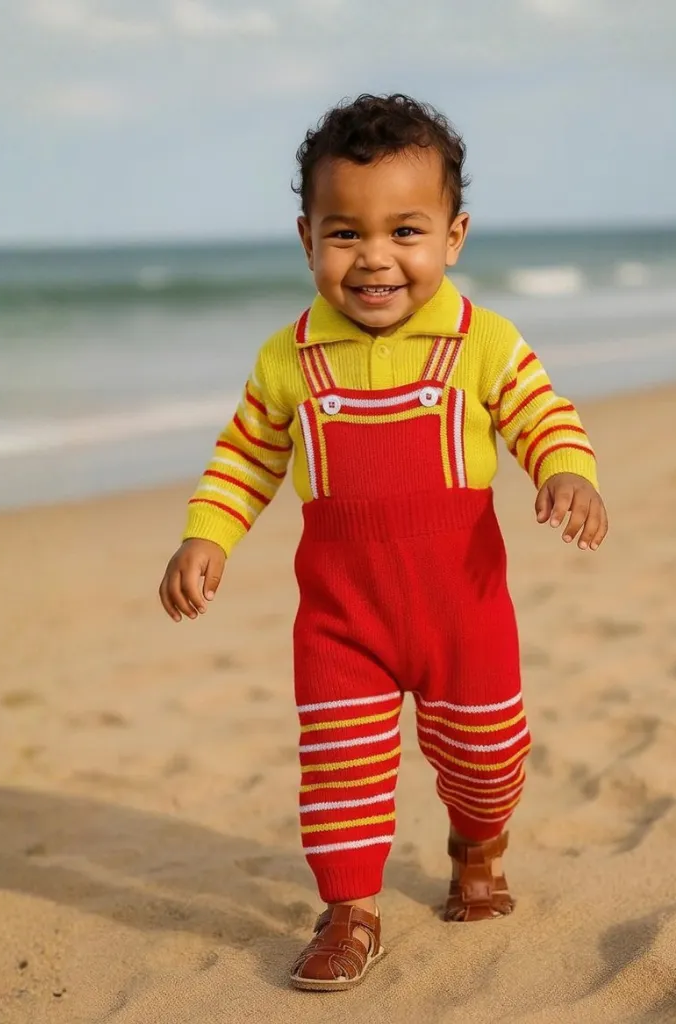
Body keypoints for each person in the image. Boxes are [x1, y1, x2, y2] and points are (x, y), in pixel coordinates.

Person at [158, 93, 608, 992]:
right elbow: (246, 456)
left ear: (454, 236)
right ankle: (350, 910)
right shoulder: (289, 358)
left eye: (405, 231)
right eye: (344, 233)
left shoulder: (482, 343)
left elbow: (543, 415)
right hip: (342, 618)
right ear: (307, 239)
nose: (374, 257)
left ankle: (477, 844)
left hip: (463, 608)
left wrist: (568, 472)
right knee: (340, 771)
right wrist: (206, 534)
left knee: (489, 758)